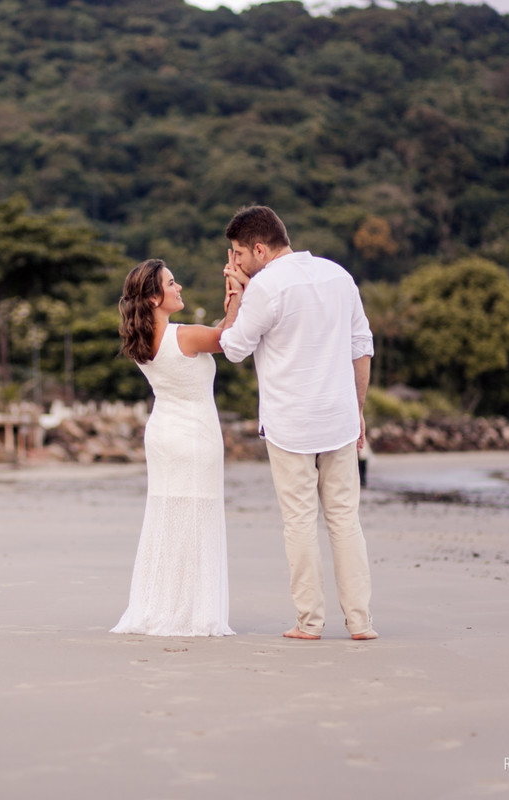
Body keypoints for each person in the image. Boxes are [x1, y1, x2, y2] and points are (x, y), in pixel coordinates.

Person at [218, 205, 378, 641]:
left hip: (290, 423)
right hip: (340, 417)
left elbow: (233, 348)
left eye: (237, 253)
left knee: (301, 522)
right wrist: (358, 408)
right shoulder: (338, 275)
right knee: (345, 520)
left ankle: (310, 622)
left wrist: (235, 294)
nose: (234, 262)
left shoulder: (265, 287)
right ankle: (360, 622)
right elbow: (361, 346)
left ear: (258, 248)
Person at [111, 258, 238, 637]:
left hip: (163, 434)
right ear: (153, 297)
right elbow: (227, 336)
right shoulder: (182, 335)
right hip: (195, 437)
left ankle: (159, 604)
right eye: (171, 283)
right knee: (196, 519)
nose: (178, 287)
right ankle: (191, 611)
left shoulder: (143, 341)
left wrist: (232, 298)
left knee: (166, 517)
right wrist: (236, 286)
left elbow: (215, 332)